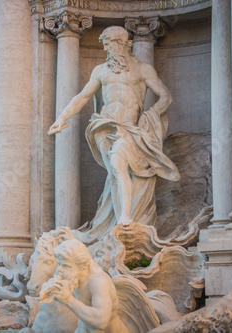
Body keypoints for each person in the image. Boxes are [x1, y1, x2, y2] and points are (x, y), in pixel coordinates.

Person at [48, 26, 180, 244]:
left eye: (109, 43)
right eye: (105, 44)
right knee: (114, 173)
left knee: (118, 164)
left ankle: (123, 217)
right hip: (103, 127)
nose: (106, 48)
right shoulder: (100, 70)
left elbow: (165, 96)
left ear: (121, 43)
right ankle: (115, 221)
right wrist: (62, 118)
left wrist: (151, 114)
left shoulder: (142, 69)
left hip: (129, 128)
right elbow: (82, 97)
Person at [43, 239, 126, 332]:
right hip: (83, 328)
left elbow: (101, 322)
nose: (59, 270)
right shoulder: (74, 276)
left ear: (80, 266)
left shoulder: (99, 282)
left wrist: (69, 300)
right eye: (59, 264)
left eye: (65, 266)